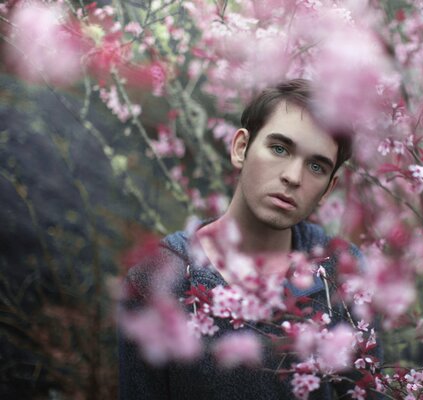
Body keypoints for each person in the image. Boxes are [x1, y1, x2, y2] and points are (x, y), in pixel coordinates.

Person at [118, 79, 374, 399]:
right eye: (279, 148)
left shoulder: (340, 268)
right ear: (241, 147)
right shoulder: (158, 276)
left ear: (328, 188)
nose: (293, 177)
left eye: (316, 166)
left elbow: (367, 390)